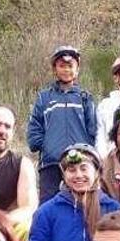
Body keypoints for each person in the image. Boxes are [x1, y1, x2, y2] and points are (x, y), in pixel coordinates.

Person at [27, 45, 98, 203]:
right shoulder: (44, 97)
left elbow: (93, 130)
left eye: (70, 66)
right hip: (51, 164)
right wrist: (47, 145)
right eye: (62, 66)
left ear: (77, 69)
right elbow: (34, 130)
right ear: (55, 69)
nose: (66, 70)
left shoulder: (85, 97)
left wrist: (89, 153)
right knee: (47, 207)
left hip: (79, 162)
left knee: (82, 205)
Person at [0, 104, 38, 241]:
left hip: (5, 230)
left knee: (27, 226)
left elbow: (28, 209)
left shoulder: (22, 165)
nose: (2, 130)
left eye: (7, 126)